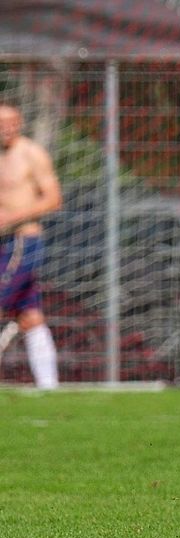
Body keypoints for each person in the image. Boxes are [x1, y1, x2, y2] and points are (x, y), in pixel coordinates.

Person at [0, 103, 62, 390]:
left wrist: (12, 217)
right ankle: (49, 387)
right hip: (4, 243)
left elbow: (53, 199)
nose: (5, 128)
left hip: (24, 241)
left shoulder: (31, 154)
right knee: (30, 314)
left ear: (20, 123)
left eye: (10, 122)